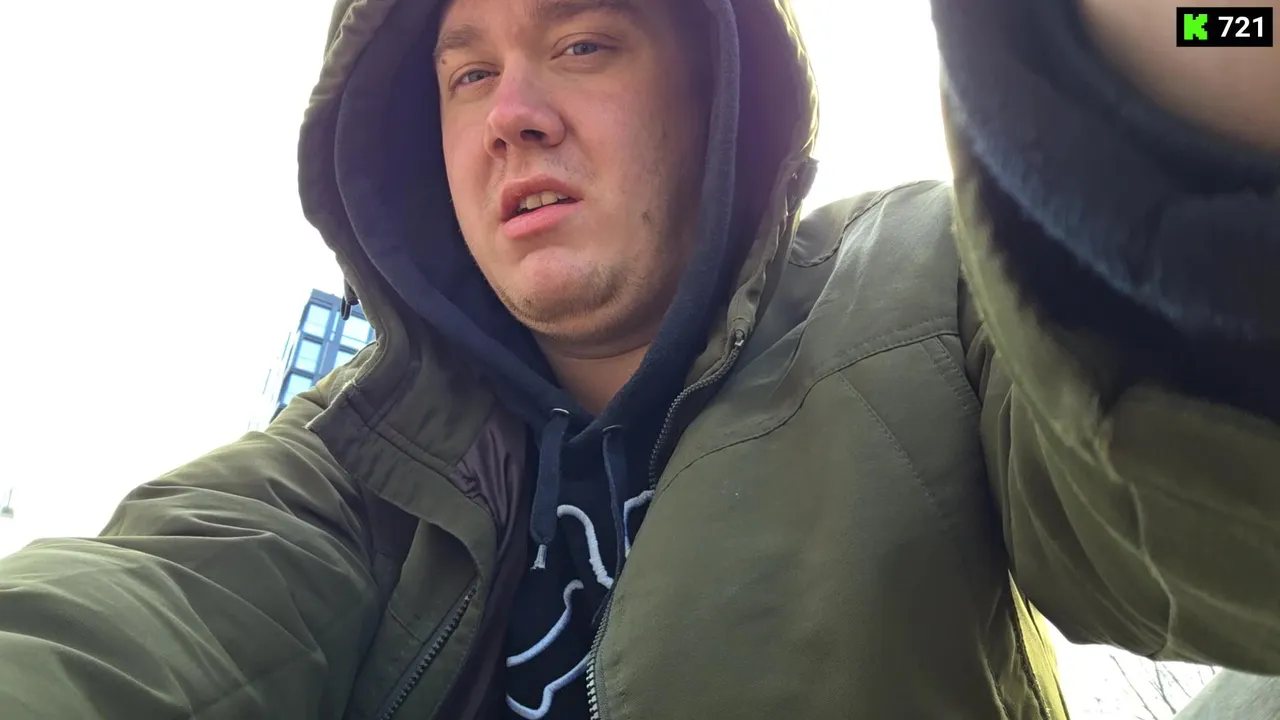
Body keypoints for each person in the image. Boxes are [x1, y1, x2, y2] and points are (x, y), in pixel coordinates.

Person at [1, 0, 1277, 717]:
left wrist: (1178, 74)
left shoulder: (921, 289)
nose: (511, 116)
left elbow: (1203, 520)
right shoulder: (342, 463)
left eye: (581, 45)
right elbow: (122, 623)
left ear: (714, 90)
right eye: (465, 76)